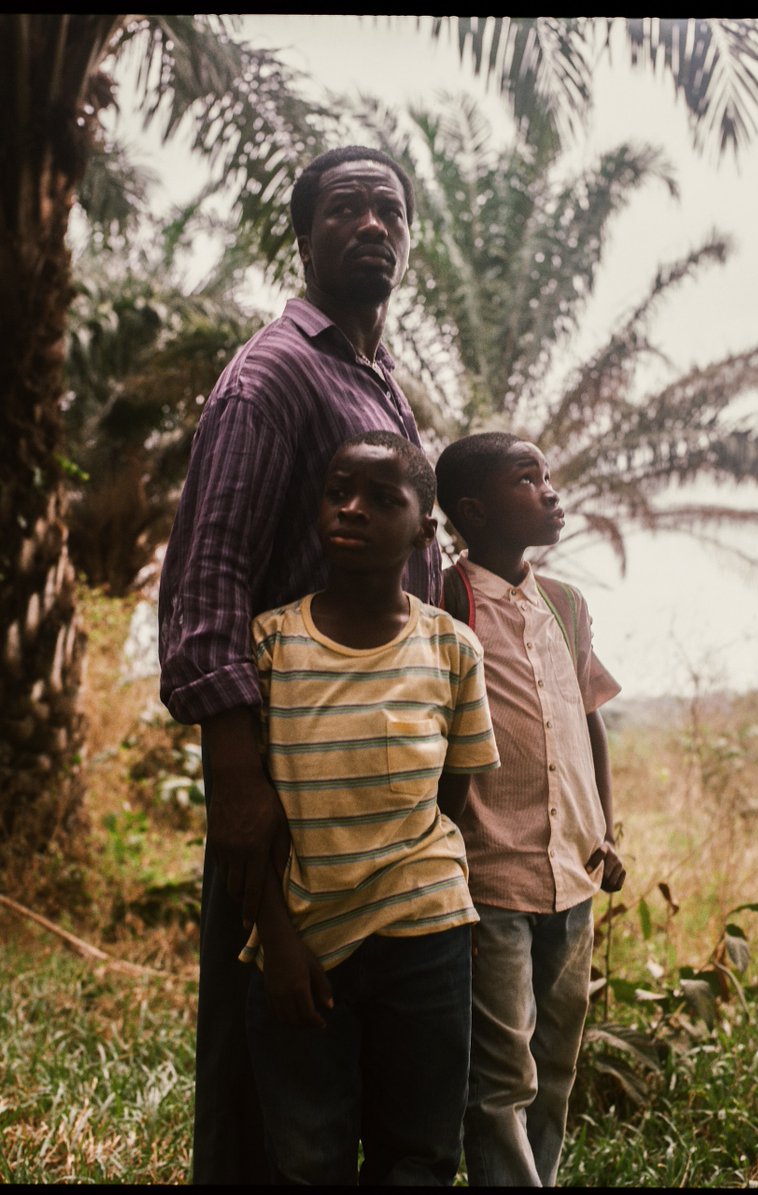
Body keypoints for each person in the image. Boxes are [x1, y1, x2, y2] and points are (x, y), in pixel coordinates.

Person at [157, 146, 442, 1185]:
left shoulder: (372, 380)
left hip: (379, 789)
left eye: (391, 210)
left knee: (352, 1069)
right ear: (305, 234)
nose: (373, 224)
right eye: (346, 208)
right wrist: (237, 782)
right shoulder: (271, 376)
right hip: (289, 779)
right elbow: (208, 584)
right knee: (266, 1084)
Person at [241, 429, 500, 1184]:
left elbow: (452, 793)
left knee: (419, 1152)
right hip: (302, 946)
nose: (351, 509)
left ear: (424, 528)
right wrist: (276, 936)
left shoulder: (451, 649)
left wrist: (430, 889)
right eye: (338, 491)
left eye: (382, 499)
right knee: (305, 1155)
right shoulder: (272, 645)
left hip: (426, 938)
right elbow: (243, 813)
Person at [433, 431, 625, 1187]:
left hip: (573, 875)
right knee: (502, 1074)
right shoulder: (448, 600)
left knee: (555, 1065)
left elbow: (591, 718)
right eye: (527, 478)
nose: (549, 489)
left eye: (547, 476)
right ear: (473, 513)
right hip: (490, 875)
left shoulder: (567, 606)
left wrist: (605, 828)